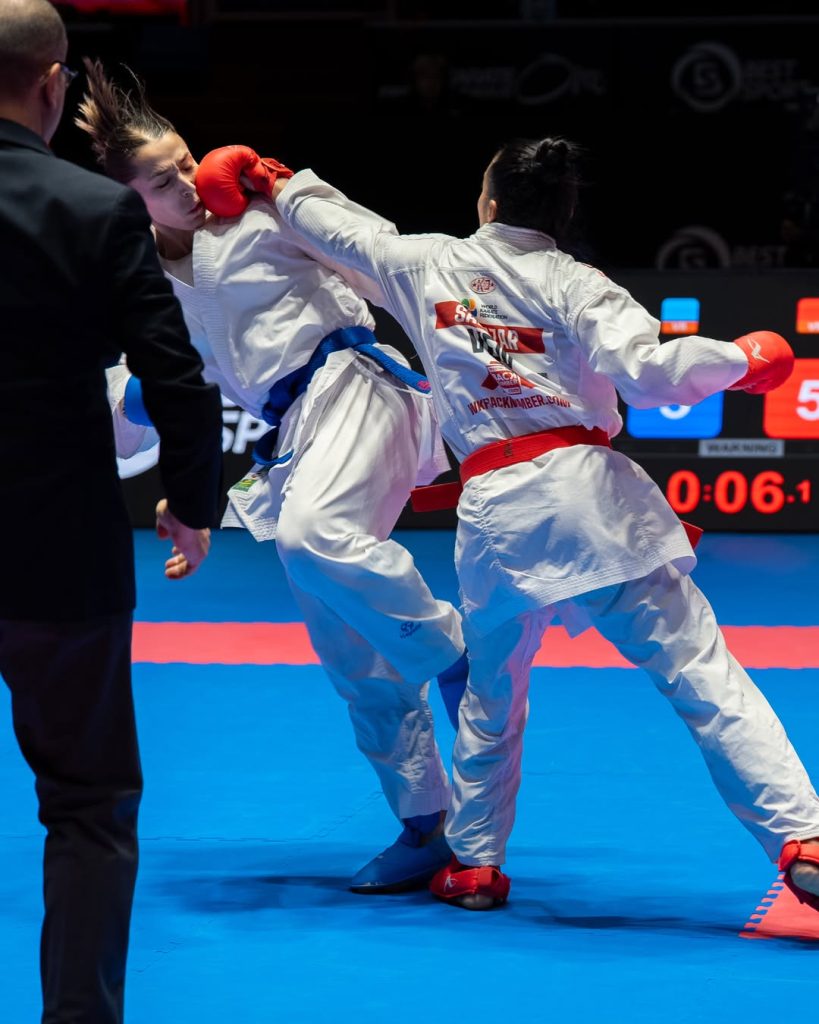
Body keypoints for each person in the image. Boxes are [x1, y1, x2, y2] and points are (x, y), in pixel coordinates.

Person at [223, 134, 819, 913]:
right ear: (562, 217)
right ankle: (801, 838)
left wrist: (277, 182)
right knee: (700, 675)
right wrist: (742, 360)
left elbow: (343, 231)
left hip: (499, 518)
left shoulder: (426, 261)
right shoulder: (575, 281)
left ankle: (474, 864)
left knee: (492, 694)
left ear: (490, 202)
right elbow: (647, 372)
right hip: (591, 502)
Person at [75, 61, 468, 894]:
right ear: (129, 197)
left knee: (311, 535)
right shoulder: (142, 274)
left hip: (357, 384)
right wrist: (154, 429)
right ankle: (424, 824)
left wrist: (296, 191)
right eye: (161, 178)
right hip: (293, 431)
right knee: (346, 643)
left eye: (185, 160)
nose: (186, 181)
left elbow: (382, 253)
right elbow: (150, 389)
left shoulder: (257, 215)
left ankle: (450, 646)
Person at [0, 2, 224, 1021]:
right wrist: (193, 500)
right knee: (89, 806)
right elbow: (176, 375)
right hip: (56, 552)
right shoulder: (95, 210)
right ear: (52, 86)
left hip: (54, 550)